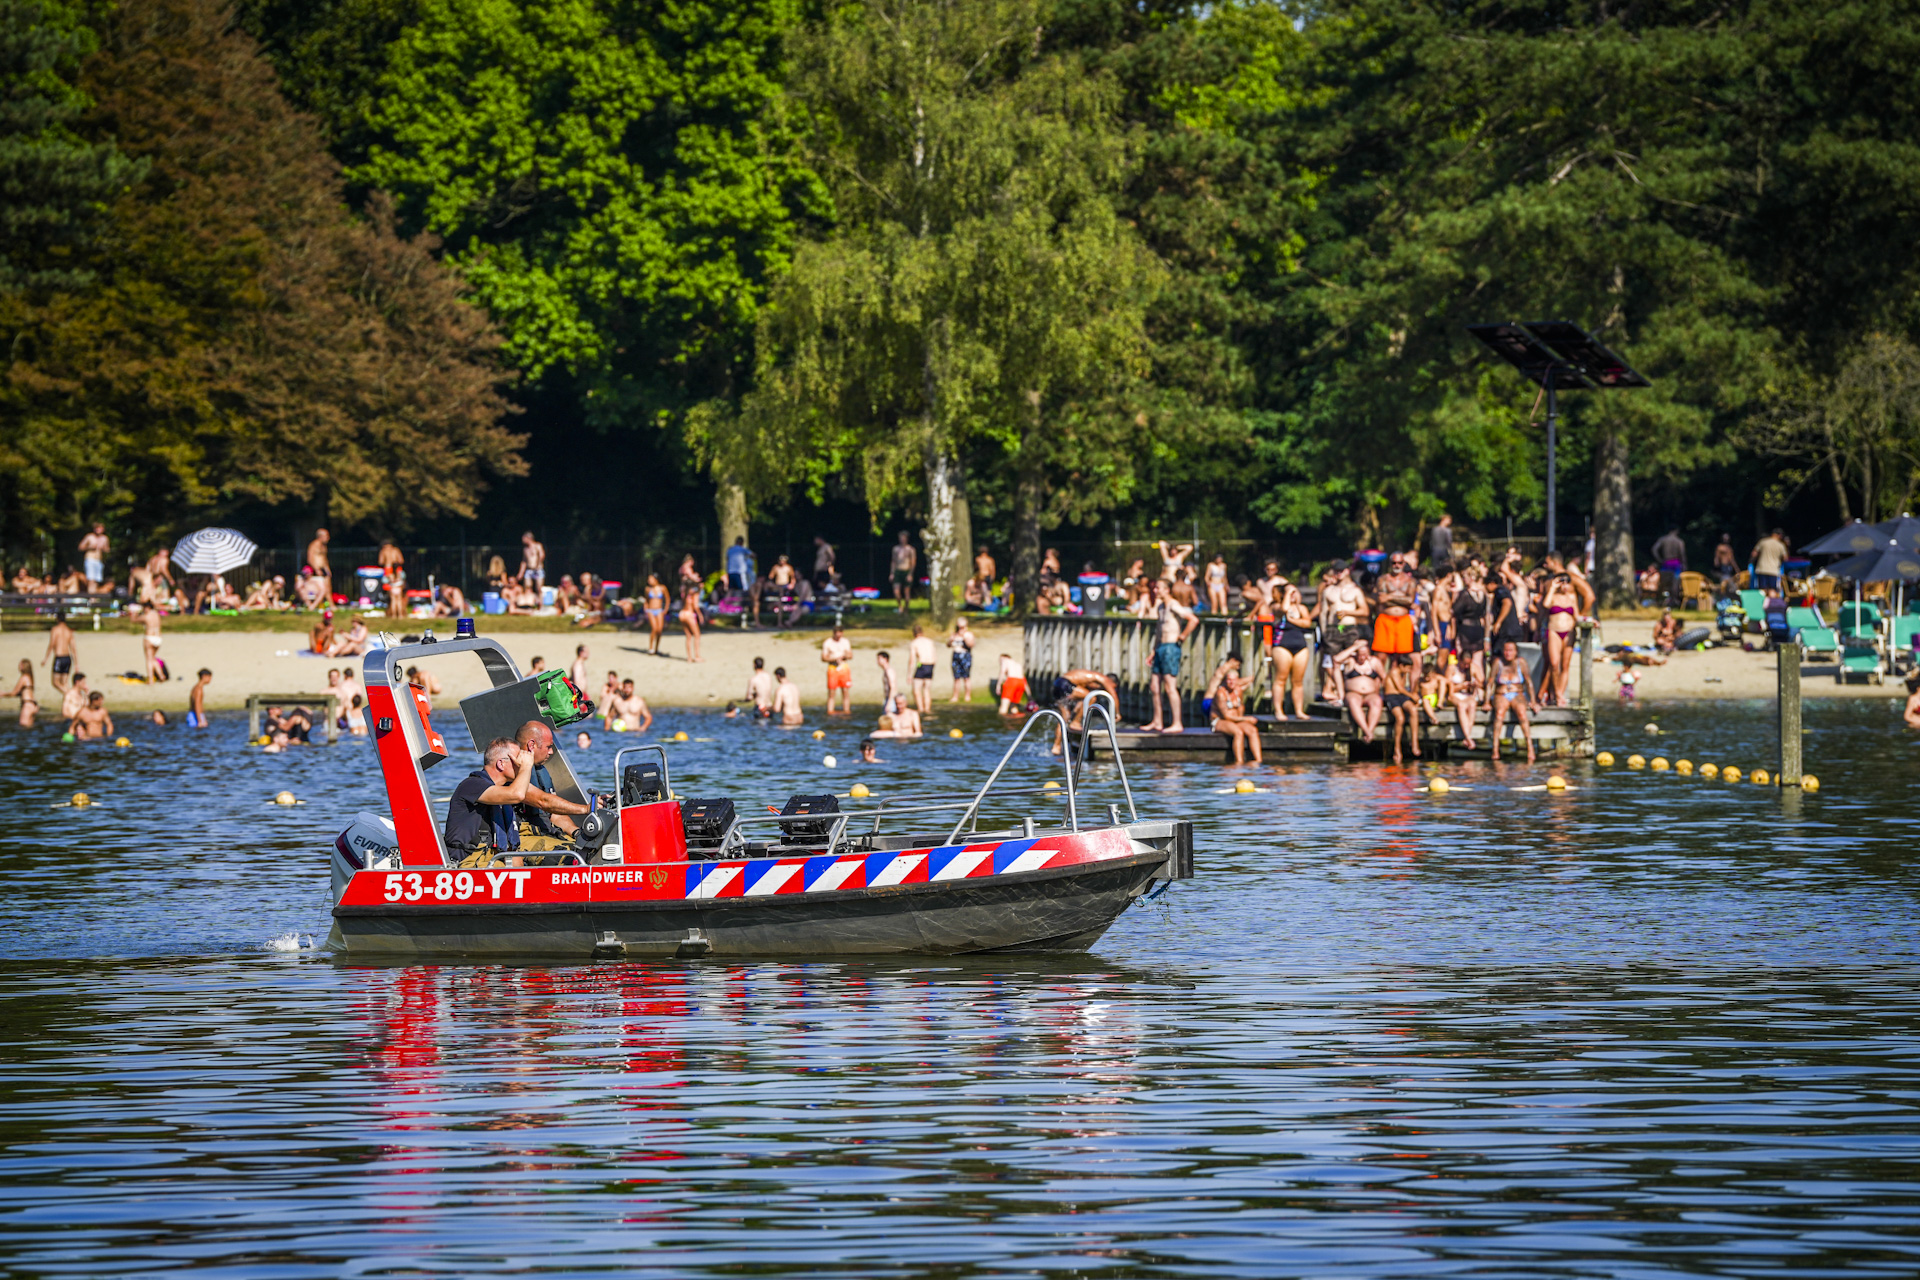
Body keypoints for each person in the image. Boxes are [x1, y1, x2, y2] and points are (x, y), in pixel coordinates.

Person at [444, 737, 536, 866]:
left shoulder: (503, 792)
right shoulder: (472, 785)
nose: (521, 764)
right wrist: (526, 766)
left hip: (492, 860)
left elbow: (512, 851)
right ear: (501, 764)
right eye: (518, 760)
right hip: (466, 864)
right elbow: (517, 795)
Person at [513, 719, 591, 848]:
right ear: (531, 745)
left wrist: (577, 833)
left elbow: (553, 814)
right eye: (548, 747)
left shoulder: (540, 770)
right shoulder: (514, 770)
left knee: (586, 848)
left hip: (543, 833)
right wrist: (586, 809)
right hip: (522, 836)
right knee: (571, 855)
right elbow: (543, 801)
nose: (551, 752)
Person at [1141, 578, 1198, 733]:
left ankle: (1177, 722)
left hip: (1171, 647)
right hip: (1160, 648)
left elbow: (1193, 620)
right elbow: (1159, 631)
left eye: (1158, 587)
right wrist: (1153, 651)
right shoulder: (1160, 607)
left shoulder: (1173, 604)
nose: (1155, 590)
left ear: (1167, 590)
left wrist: (1183, 636)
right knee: (1154, 686)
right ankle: (1157, 721)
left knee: (1169, 686)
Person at [1205, 653, 1262, 765]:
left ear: (1237, 680)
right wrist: (1246, 719)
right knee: (1238, 732)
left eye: (1234, 680)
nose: (1231, 683)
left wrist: (1242, 718)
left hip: (1235, 719)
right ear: (1225, 681)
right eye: (1229, 680)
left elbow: (1241, 707)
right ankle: (1239, 762)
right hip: (1220, 720)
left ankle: (1258, 761)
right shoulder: (1221, 693)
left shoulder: (1238, 691)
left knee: (1252, 730)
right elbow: (1226, 715)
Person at [1372, 553, 1421, 683]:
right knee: (1381, 656)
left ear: (1403, 564)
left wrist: (1391, 596)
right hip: (1386, 619)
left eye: (1399, 563)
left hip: (1403, 620)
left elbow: (1410, 600)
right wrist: (1400, 598)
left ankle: (1396, 687)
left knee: (1400, 659)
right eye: (1394, 563)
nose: (1397, 566)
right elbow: (1382, 599)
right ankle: (1380, 686)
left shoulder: (1410, 581)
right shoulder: (1383, 579)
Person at [1272, 577, 1315, 720]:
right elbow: (1283, 609)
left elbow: (1307, 622)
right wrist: (1287, 595)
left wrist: (1293, 620)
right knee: (1281, 679)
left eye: (1295, 592)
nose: (1293, 595)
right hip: (1282, 645)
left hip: (1300, 645)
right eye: (1290, 592)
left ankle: (1299, 710)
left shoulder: (1301, 608)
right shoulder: (1277, 606)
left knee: (1297, 681)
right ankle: (1278, 710)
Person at [1487, 638, 1537, 763]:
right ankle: (1495, 749)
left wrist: (1533, 701)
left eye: (1510, 650)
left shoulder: (1521, 662)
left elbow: (1528, 682)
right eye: (1506, 650)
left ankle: (1530, 748)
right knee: (1499, 714)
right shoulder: (1498, 663)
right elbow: (1490, 683)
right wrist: (1486, 702)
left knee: (1522, 713)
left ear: (1516, 652)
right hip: (1501, 693)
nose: (1508, 653)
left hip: (1517, 693)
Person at [1540, 572, 1582, 705]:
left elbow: (1577, 615)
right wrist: (1552, 587)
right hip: (1554, 631)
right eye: (1561, 581)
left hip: (1569, 632)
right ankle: (1557, 692)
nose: (1564, 585)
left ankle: (1560, 695)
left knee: (1565, 665)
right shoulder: (1553, 597)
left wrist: (1589, 620)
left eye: (1566, 582)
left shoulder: (1572, 597)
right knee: (1554, 663)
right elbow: (1546, 604)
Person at [1381, 653, 1430, 764]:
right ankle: (1397, 748)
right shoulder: (1394, 672)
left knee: (1413, 710)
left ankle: (1414, 742)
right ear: (1401, 666)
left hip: (1401, 696)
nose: (1409, 671)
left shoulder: (1404, 673)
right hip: (1391, 697)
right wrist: (1412, 695)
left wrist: (1414, 696)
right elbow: (1399, 688)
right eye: (1408, 668)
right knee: (1400, 718)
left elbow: (1403, 691)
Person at [1334, 637, 1385, 746]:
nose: (1362, 657)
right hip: (1353, 693)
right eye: (1360, 654)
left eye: (1365, 654)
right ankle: (1365, 730)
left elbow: (1384, 678)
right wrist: (1354, 646)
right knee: (1353, 701)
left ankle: (1370, 731)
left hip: (1370, 694)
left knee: (1377, 702)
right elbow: (1337, 659)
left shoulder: (1374, 662)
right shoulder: (1350, 661)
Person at [1445, 649, 1483, 751]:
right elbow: (1447, 688)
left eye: (1468, 664)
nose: (1466, 666)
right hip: (1454, 695)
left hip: (1468, 695)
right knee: (1461, 705)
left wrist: (1475, 684)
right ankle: (1468, 737)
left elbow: (1482, 683)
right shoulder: (1452, 668)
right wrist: (1461, 686)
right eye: (1464, 664)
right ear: (1460, 660)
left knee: (1472, 704)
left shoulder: (1474, 668)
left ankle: (1467, 737)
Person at [821, 625, 853, 714]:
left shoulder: (845, 642)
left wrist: (844, 656)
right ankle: (830, 711)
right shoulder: (828, 643)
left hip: (843, 667)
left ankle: (846, 711)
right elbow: (823, 658)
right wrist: (834, 659)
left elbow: (850, 655)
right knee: (832, 692)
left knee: (845, 691)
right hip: (833, 667)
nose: (838, 636)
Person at [1652, 527, 1687, 608]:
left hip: (1666, 563)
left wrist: (1659, 559)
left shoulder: (1663, 539)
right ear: (1677, 531)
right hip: (1676, 564)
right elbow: (1682, 554)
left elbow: (1654, 549)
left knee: (1663, 583)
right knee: (1675, 583)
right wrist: (1684, 564)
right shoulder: (1679, 541)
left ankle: (1659, 600)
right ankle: (1674, 601)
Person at [44, 609, 75, 694]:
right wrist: (76, 663)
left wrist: (46, 659)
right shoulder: (69, 630)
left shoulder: (55, 630)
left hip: (59, 657)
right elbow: (73, 648)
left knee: (55, 682)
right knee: (64, 683)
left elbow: (51, 644)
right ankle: (69, 700)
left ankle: (71, 695)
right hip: (68, 658)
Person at [1751, 527, 1789, 595]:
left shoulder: (1763, 542)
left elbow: (1754, 554)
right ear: (1779, 535)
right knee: (1772, 590)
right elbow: (1785, 558)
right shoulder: (1781, 545)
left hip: (1761, 569)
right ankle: (1771, 604)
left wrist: (1752, 563)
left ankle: (1762, 604)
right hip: (1773, 570)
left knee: (1762, 590)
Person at [889, 531, 917, 613]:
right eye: (901, 537)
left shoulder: (910, 549)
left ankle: (906, 609)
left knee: (907, 592)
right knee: (896, 591)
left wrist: (910, 574)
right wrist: (892, 573)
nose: (902, 539)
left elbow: (913, 562)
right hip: (898, 571)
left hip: (906, 571)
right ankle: (900, 606)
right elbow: (893, 561)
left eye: (904, 538)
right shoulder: (896, 549)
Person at [642, 573, 668, 655]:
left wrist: (666, 609)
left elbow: (667, 599)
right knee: (654, 628)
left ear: (656, 579)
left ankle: (657, 648)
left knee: (659, 630)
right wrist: (645, 609)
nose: (649, 581)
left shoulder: (662, 588)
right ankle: (651, 648)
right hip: (651, 610)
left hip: (659, 610)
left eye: (651, 579)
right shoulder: (647, 589)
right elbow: (646, 600)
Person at [949, 617, 975, 702]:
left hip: (965, 656)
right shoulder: (954, 634)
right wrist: (951, 639)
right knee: (956, 678)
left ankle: (967, 696)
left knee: (966, 677)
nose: (960, 629)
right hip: (956, 655)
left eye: (962, 627)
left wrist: (964, 637)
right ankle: (955, 696)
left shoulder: (968, 634)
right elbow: (948, 645)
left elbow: (971, 645)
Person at [378, 541, 406, 619]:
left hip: (388, 569)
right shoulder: (396, 550)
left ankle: (392, 614)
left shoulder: (383, 551)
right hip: (397, 569)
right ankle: (400, 614)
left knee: (391, 595)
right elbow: (401, 561)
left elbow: (380, 562)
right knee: (399, 597)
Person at [79, 523, 109, 592]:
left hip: (99, 560)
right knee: (91, 579)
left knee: (97, 580)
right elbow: (80, 547)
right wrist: (89, 547)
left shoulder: (104, 538)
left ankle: (94, 597)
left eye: (100, 528)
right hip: (90, 559)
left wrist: (103, 548)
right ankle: (91, 597)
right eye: (97, 528)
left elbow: (107, 549)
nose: (98, 530)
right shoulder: (89, 536)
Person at [678, 583, 704, 663]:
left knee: (688, 636)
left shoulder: (684, 594)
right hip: (689, 614)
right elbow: (695, 606)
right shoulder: (695, 594)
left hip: (682, 614)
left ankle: (689, 657)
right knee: (697, 635)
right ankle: (697, 656)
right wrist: (700, 615)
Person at [9, 659, 37, 727]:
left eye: (20, 665)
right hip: (33, 705)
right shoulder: (30, 677)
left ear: (22, 666)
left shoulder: (24, 677)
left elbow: (14, 693)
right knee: (29, 728)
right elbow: (21, 693)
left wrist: (2, 694)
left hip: (27, 705)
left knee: (23, 727)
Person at [141, 603, 164, 683]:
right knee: (153, 658)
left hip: (149, 637)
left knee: (149, 659)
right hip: (158, 637)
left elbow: (134, 620)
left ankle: (150, 679)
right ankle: (161, 675)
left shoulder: (146, 616)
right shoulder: (157, 615)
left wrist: (134, 613)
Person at [305, 528, 331, 594]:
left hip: (323, 569)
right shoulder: (314, 545)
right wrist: (317, 569)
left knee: (328, 586)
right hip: (315, 569)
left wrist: (327, 569)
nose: (328, 538)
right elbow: (310, 558)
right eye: (326, 535)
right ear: (320, 536)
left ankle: (330, 603)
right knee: (322, 588)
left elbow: (324, 559)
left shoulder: (324, 546)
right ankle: (330, 603)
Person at [875, 650, 899, 715]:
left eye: (879, 659)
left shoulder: (889, 671)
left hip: (891, 699)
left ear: (885, 659)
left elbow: (893, 687)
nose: (877, 661)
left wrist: (889, 702)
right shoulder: (886, 671)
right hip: (889, 698)